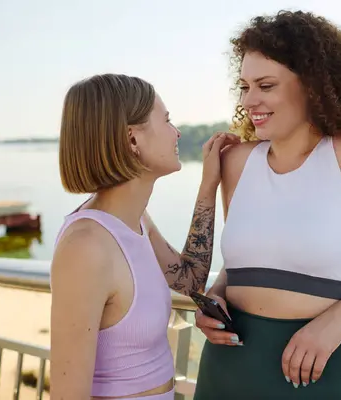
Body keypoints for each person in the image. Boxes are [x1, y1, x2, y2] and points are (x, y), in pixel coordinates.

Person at [193, 10, 341, 399]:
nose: (249, 100)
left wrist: (338, 319)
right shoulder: (237, 162)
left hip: (312, 375)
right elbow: (244, 263)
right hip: (225, 370)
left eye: (266, 85)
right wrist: (217, 297)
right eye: (244, 86)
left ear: (312, 85)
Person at [49, 74, 239, 399]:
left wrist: (209, 185)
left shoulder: (136, 221)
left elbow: (190, 280)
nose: (177, 132)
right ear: (132, 139)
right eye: (166, 120)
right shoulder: (86, 246)